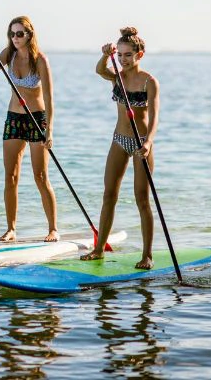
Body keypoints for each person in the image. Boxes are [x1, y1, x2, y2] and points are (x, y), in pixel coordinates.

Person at [81, 27, 160, 269]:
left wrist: (147, 143)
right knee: (108, 195)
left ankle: (147, 255)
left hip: (141, 143)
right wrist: (106, 55)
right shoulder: (117, 75)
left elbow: (155, 117)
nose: (123, 60)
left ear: (140, 55)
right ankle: (98, 250)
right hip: (119, 140)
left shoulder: (149, 81)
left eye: (128, 55)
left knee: (142, 199)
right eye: (120, 55)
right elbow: (99, 70)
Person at [0, 16, 58, 242]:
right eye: (12, 34)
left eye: (19, 34)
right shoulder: (9, 53)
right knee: (11, 176)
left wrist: (50, 130)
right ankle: (11, 228)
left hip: (37, 119)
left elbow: (49, 97)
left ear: (29, 35)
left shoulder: (41, 60)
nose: (15, 38)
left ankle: (53, 228)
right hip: (14, 118)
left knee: (40, 175)